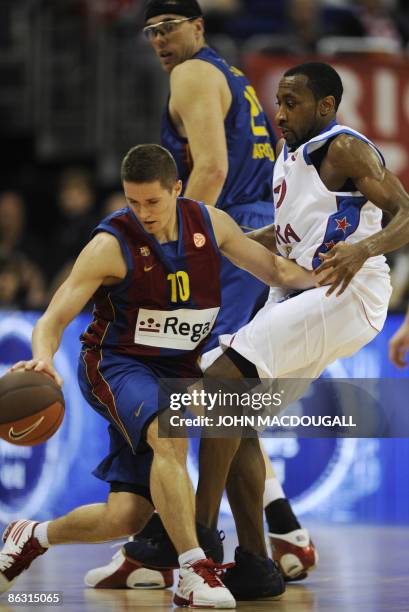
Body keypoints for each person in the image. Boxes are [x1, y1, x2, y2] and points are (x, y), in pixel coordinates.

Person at [0, 144, 315, 607]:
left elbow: (274, 269)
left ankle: (32, 535)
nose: (143, 212)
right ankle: (193, 569)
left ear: (177, 189)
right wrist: (43, 357)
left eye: (153, 201)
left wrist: (335, 275)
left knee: (126, 515)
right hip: (117, 365)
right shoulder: (111, 244)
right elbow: (52, 317)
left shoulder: (211, 224)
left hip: (179, 368)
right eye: (133, 201)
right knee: (170, 432)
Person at [100, 0, 316, 591]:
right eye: (149, 31)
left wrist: (175, 250)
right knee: (224, 397)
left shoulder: (192, 74)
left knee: (193, 384)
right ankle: (278, 532)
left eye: (168, 27)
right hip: (250, 232)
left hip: (226, 235)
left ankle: (184, 535)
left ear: (198, 26)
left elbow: (213, 170)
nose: (158, 40)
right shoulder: (230, 72)